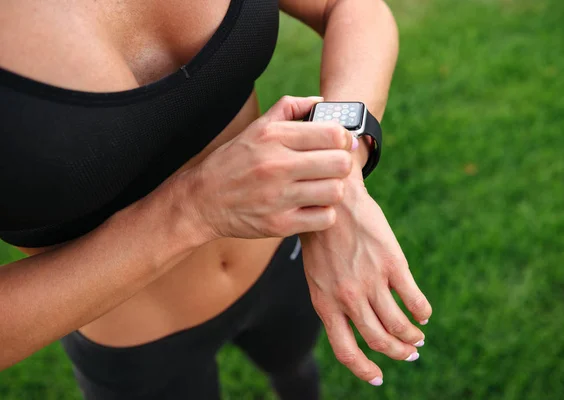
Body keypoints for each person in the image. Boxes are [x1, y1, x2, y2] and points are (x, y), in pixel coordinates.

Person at [0, 0, 432, 398]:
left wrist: (341, 166)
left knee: (298, 371)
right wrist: (189, 209)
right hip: (135, 339)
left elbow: (348, 7)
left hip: (282, 260)